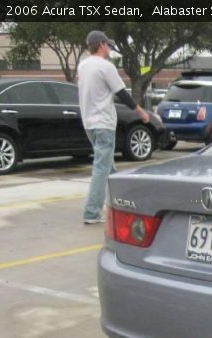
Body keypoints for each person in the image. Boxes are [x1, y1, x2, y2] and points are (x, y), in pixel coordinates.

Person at [77, 30, 149, 224]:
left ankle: (123, 204)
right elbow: (122, 94)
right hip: (103, 123)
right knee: (102, 168)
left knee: (109, 168)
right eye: (108, 45)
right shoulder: (106, 67)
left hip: (89, 123)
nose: (110, 48)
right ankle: (91, 213)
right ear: (101, 44)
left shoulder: (83, 66)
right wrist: (141, 112)